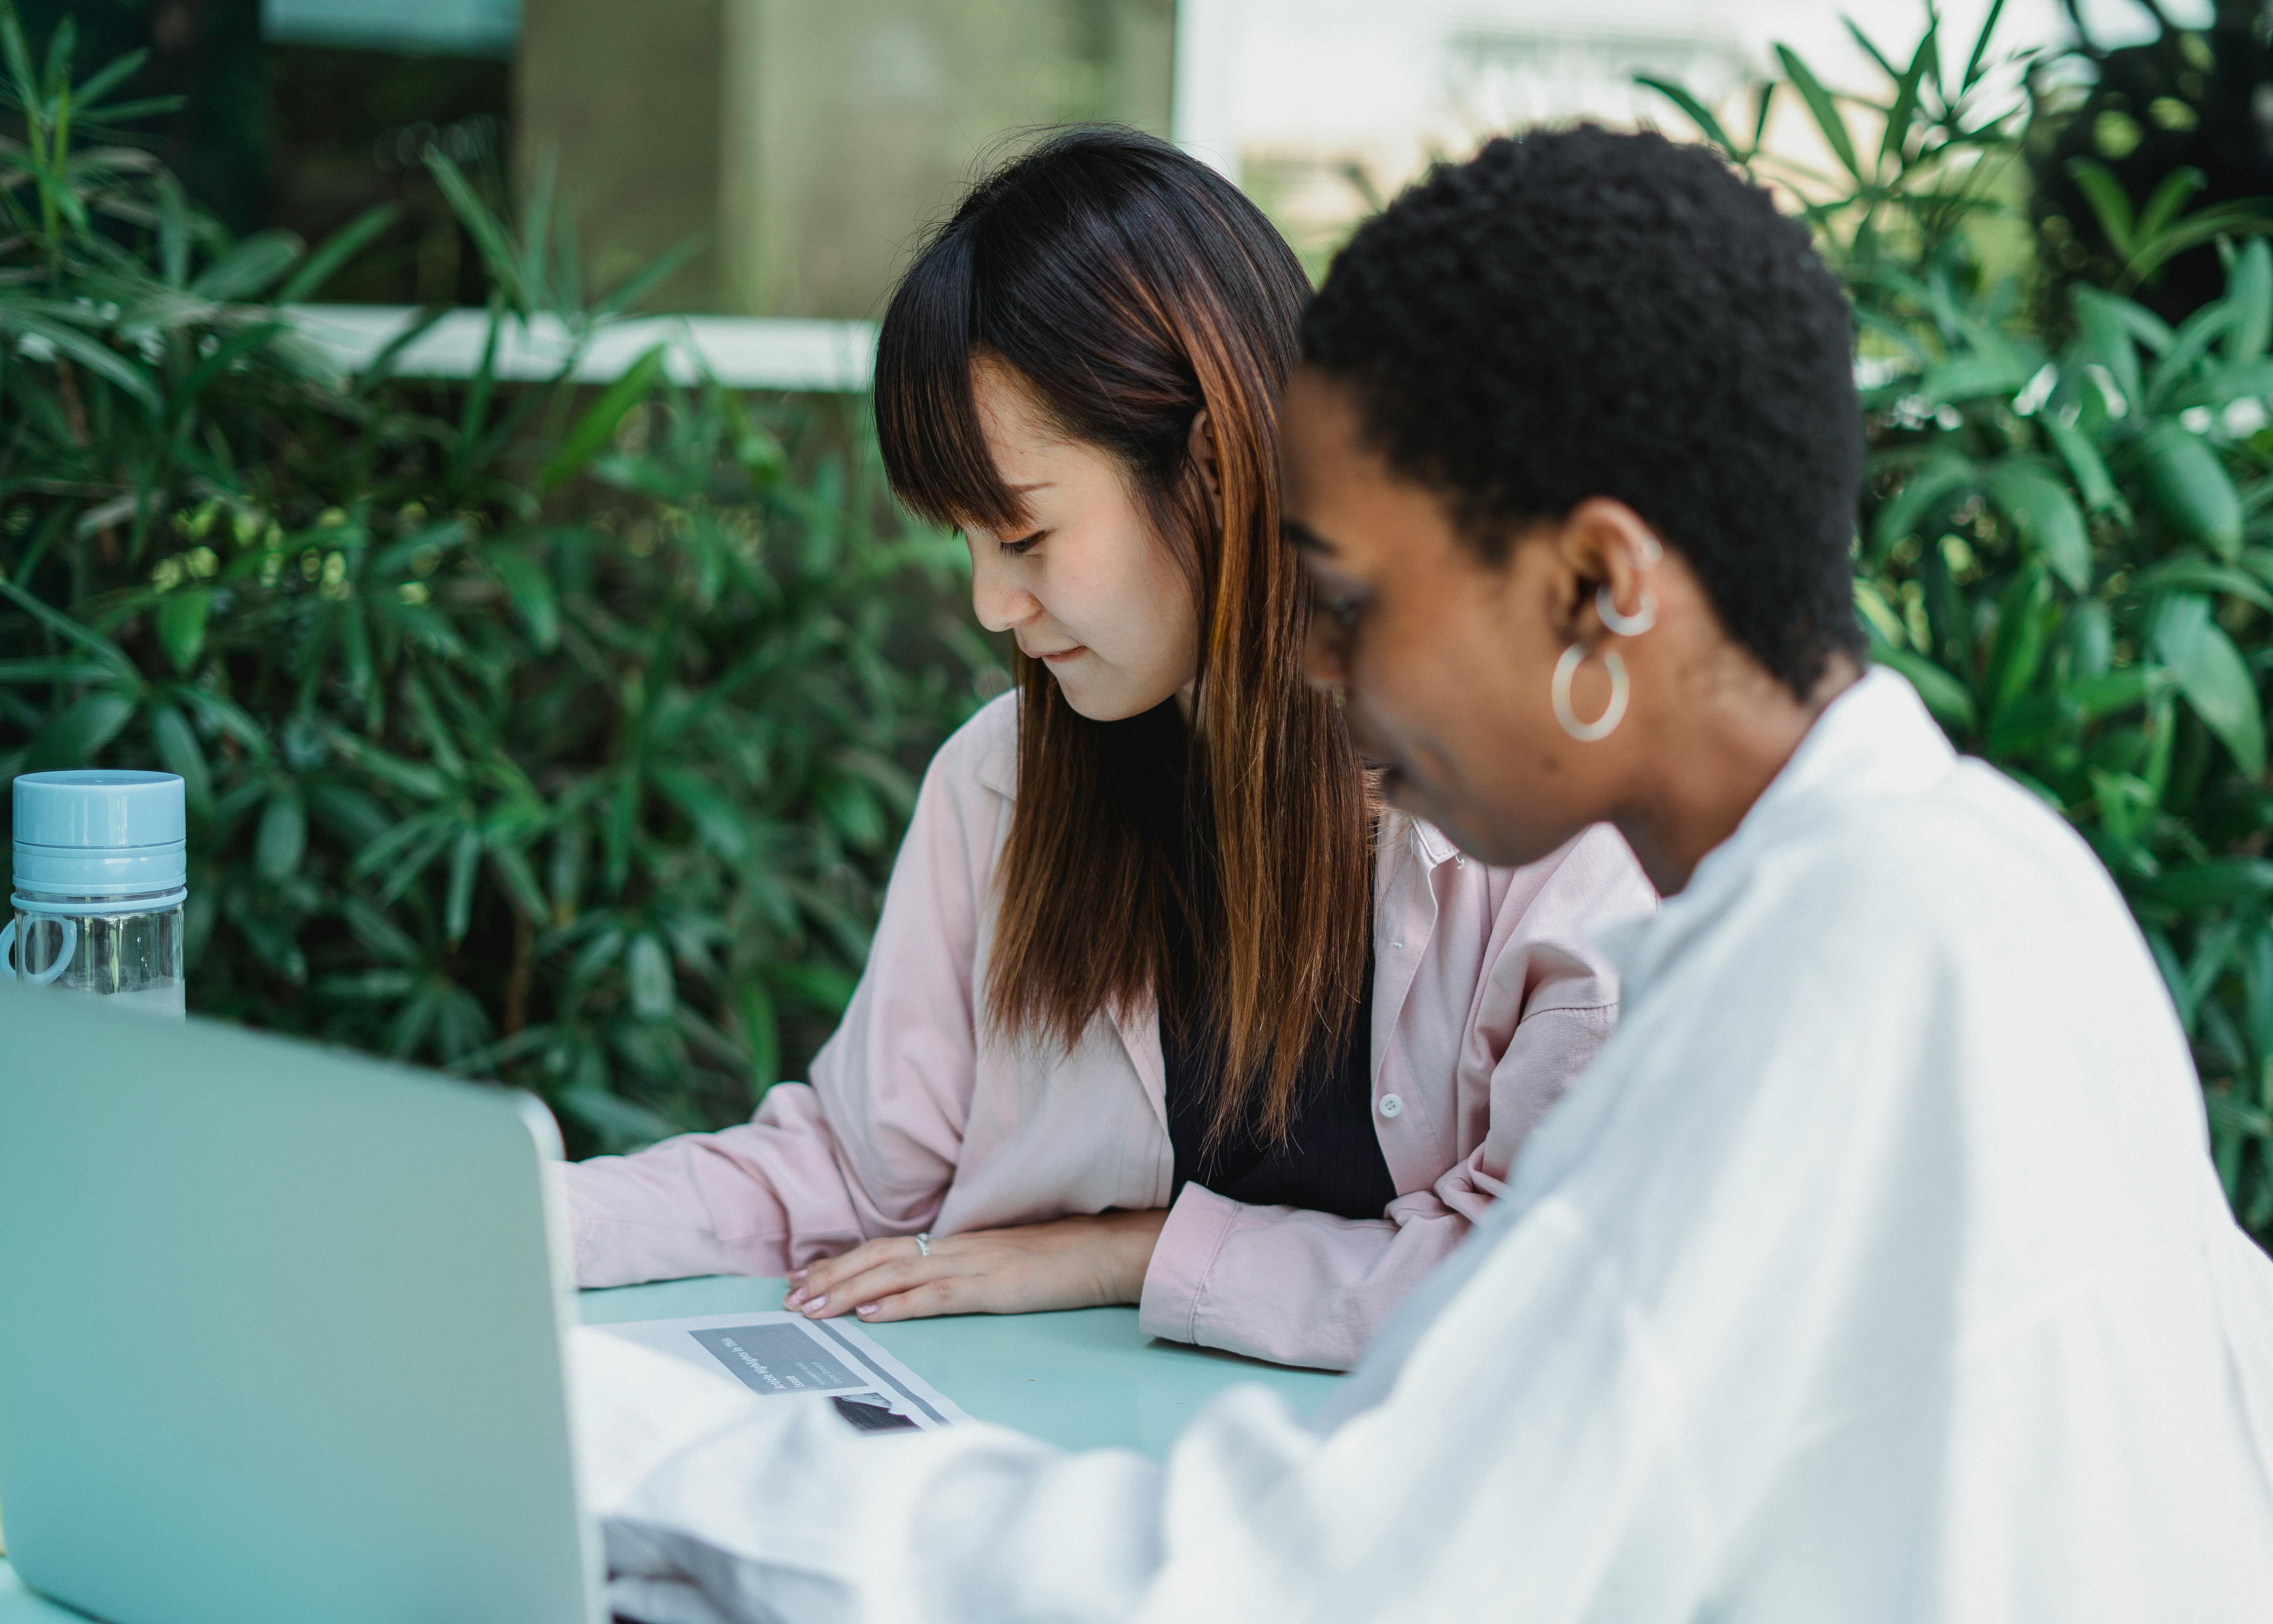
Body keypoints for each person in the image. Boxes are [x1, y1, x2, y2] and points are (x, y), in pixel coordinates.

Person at [570, 125, 2273, 1623]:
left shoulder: (1837, 979)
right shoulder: (1978, 887)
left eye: (1356, 599)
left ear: (1596, 587)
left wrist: (655, 1449)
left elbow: (1315, 1581)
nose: (1318, 668)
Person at [564, 127, 1653, 1371]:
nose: (988, 607)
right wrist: (525, 1221)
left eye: (1023, 538)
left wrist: (1138, 1252)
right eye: (963, 542)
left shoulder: (1530, 814)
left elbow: (1548, 1287)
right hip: (1067, 1471)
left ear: (1216, 471)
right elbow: (855, 1173)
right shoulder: (1003, 783)